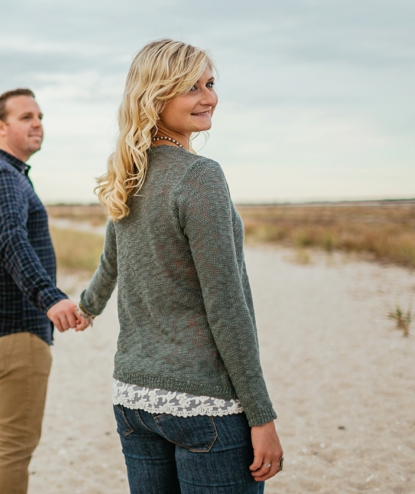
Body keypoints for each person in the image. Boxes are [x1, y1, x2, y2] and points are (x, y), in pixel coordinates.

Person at [75, 40, 283, 493]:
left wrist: (85, 308)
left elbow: (111, 263)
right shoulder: (200, 176)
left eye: (210, 84)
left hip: (134, 398)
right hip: (204, 404)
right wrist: (261, 414)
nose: (208, 97)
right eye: (191, 87)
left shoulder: (129, 176)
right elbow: (226, 304)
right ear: (155, 95)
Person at [0, 87, 81, 494]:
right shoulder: (5, 179)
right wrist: (50, 297)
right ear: (0, 126)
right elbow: (12, 241)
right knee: (13, 447)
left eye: (40, 116)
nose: (37, 123)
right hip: (12, 334)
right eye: (26, 117)